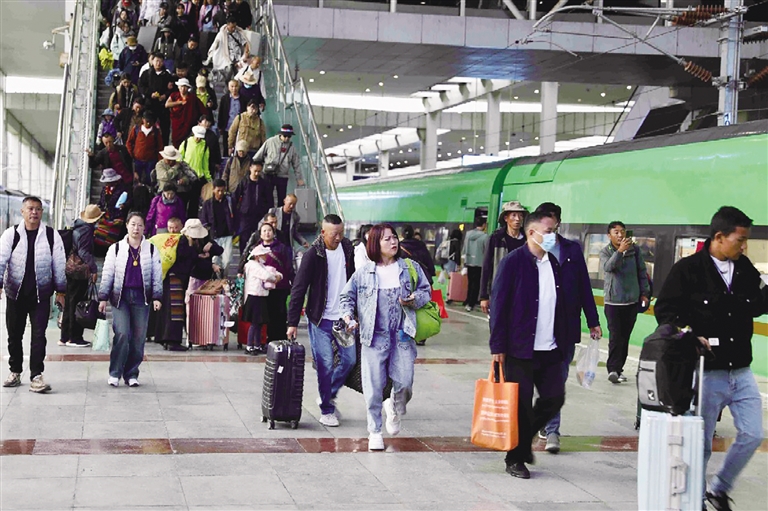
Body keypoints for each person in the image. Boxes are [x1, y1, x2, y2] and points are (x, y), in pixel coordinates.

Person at [655, 206, 767, 511]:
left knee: (753, 434)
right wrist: (689, 335)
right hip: (705, 371)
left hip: (740, 370)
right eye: (740, 240)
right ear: (719, 237)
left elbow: (759, 304)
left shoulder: (744, 268)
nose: (744, 246)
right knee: (700, 443)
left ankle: (719, 489)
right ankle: (695, 499)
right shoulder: (688, 269)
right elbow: (665, 311)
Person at [489, 211, 567, 479]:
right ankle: (514, 458)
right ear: (531, 232)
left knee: (554, 398)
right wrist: (497, 346)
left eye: (555, 231)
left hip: (550, 348)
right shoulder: (513, 262)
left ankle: (523, 442)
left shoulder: (553, 263)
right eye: (549, 231)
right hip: (519, 348)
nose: (553, 236)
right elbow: (498, 305)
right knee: (520, 406)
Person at [340, 224, 431, 451]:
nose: (394, 242)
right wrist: (348, 316)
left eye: (394, 238)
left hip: (403, 335)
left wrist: (414, 299)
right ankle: (375, 431)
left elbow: (426, 291)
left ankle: (395, 407)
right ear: (375, 244)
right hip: (373, 337)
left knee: (405, 382)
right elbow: (346, 297)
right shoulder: (364, 272)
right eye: (387, 239)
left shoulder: (409, 267)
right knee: (373, 388)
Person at [534, 202, 601, 454]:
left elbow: (584, 287)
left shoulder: (572, 250)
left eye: (553, 225)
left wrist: (593, 321)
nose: (549, 230)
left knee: (556, 381)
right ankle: (548, 424)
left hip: (566, 327)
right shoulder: (530, 252)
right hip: (537, 328)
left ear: (558, 224)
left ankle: (552, 430)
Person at [287, 214, 356, 427]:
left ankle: (328, 394)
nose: (338, 238)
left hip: (343, 320)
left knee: (350, 360)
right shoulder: (313, 255)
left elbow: (354, 280)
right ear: (323, 232)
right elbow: (299, 288)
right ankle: (327, 410)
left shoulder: (348, 248)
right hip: (320, 320)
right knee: (325, 364)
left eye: (341, 233)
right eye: (334, 234)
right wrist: (292, 322)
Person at [0, 197, 67, 393]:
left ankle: (36, 376)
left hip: (41, 295)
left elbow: (59, 264)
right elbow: (1, 260)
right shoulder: (11, 235)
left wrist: (61, 290)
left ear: (42, 213)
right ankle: (15, 371)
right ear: (22, 211)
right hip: (15, 294)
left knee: (39, 336)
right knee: (14, 335)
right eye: (30, 208)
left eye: (38, 209)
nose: (34, 212)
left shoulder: (51, 236)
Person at [98, 212, 163, 387]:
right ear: (127, 225)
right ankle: (115, 372)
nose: (136, 228)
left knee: (139, 337)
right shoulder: (116, 248)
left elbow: (157, 275)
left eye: (140, 225)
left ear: (144, 228)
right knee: (122, 333)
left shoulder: (151, 249)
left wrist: (157, 296)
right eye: (133, 224)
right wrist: (103, 297)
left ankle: (131, 373)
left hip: (142, 298)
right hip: (121, 297)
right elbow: (107, 274)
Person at [599, 220, 650, 384]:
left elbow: (642, 272)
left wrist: (644, 293)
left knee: (625, 337)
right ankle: (613, 369)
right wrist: (620, 251)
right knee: (615, 337)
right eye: (616, 232)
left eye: (622, 231)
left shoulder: (635, 250)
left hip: (631, 302)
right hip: (613, 302)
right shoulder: (605, 252)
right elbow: (608, 267)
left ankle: (619, 369)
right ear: (609, 235)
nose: (620, 235)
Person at [239, 222, 293, 343]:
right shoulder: (256, 249)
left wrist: (288, 280)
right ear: (260, 234)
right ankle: (263, 341)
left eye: (269, 230)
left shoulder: (282, 247)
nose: (267, 233)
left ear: (274, 233)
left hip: (280, 287)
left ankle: (279, 339)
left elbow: (288, 266)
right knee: (264, 316)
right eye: (264, 231)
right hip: (262, 290)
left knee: (279, 313)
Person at [59, 205, 102, 348]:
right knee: (77, 304)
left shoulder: (78, 227)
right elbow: (84, 252)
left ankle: (64, 337)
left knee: (69, 303)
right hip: (79, 272)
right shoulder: (86, 230)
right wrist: (93, 269)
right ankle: (75, 337)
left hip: (71, 269)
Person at [150, 217, 195, 351]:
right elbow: (184, 258)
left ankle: (163, 338)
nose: (173, 231)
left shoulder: (169, 240)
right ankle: (172, 341)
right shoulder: (182, 240)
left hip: (165, 276)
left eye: (176, 228)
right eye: (170, 228)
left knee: (166, 310)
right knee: (175, 310)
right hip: (175, 278)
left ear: (181, 227)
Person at [480, 200, 527, 315]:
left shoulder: (527, 240)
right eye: (513, 215)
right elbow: (487, 266)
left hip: (522, 291)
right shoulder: (496, 238)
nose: (517, 219)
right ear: (506, 218)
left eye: (520, 215)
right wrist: (484, 296)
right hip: (500, 291)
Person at [241, 244, 282, 354]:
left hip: (260, 297)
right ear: (257, 256)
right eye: (264, 255)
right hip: (255, 297)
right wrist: (275, 278)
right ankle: (250, 345)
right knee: (254, 323)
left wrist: (278, 276)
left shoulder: (259, 265)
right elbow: (267, 275)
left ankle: (257, 345)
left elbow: (272, 272)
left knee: (259, 323)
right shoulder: (253, 266)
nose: (266, 257)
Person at [252, 124, 305, 208]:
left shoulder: (291, 147)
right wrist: (258, 170)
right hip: (268, 174)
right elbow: (257, 157)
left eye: (289, 136)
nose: (287, 138)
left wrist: (299, 178)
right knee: (267, 197)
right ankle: (269, 214)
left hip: (282, 176)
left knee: (282, 199)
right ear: (280, 134)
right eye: (285, 136)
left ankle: (280, 214)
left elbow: (296, 164)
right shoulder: (270, 142)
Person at [232, 161, 269, 255]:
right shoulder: (244, 181)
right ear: (250, 168)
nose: (256, 173)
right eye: (255, 171)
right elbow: (235, 197)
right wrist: (236, 212)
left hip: (259, 215)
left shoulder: (263, 183)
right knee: (244, 237)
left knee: (258, 237)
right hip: (245, 214)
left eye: (259, 171)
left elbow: (268, 199)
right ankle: (243, 256)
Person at [200, 179, 235, 276]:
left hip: (227, 235)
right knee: (215, 261)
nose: (220, 193)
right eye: (218, 190)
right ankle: (218, 279)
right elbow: (204, 221)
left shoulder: (229, 202)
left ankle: (224, 277)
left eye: (222, 190)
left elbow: (235, 215)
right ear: (213, 190)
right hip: (214, 237)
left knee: (227, 260)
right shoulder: (207, 204)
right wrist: (207, 239)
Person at [138, 54, 173, 145]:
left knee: (165, 128)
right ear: (152, 62)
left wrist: (165, 95)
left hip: (162, 106)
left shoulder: (167, 75)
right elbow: (141, 86)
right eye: (156, 61)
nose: (158, 63)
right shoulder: (146, 73)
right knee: (149, 125)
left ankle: (164, 145)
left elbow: (171, 89)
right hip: (149, 104)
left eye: (160, 61)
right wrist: (150, 94)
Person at [205, 14, 250, 83]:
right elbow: (215, 44)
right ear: (228, 25)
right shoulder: (221, 34)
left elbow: (245, 43)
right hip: (227, 58)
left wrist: (246, 53)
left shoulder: (238, 32)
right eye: (232, 27)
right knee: (229, 72)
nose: (233, 29)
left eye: (234, 26)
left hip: (238, 57)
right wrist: (211, 54)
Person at [125, 110, 163, 186]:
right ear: (143, 119)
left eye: (150, 121)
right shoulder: (136, 129)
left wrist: (159, 160)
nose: (148, 123)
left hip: (151, 161)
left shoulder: (156, 132)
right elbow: (129, 143)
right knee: (136, 180)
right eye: (147, 121)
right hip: (137, 160)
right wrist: (131, 154)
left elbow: (160, 147)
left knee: (150, 180)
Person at [166, 77, 205, 148]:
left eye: (185, 87)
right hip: (177, 124)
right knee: (176, 143)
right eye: (181, 86)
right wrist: (179, 102)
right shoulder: (174, 95)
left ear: (188, 88)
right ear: (178, 87)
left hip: (188, 125)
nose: (183, 89)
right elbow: (167, 104)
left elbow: (202, 110)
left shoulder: (193, 98)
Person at [462, 219, 487, 312]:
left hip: (469, 262)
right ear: (484, 225)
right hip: (479, 263)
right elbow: (486, 250)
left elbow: (464, 248)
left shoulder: (468, 234)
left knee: (470, 282)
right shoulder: (485, 236)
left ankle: (467, 300)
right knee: (476, 284)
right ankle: (472, 303)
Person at [218, 79, 246, 156]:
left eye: (236, 86)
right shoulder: (224, 99)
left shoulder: (243, 99)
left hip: (239, 128)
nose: (234, 88)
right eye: (232, 86)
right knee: (226, 148)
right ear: (228, 87)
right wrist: (220, 126)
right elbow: (221, 112)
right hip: (227, 127)